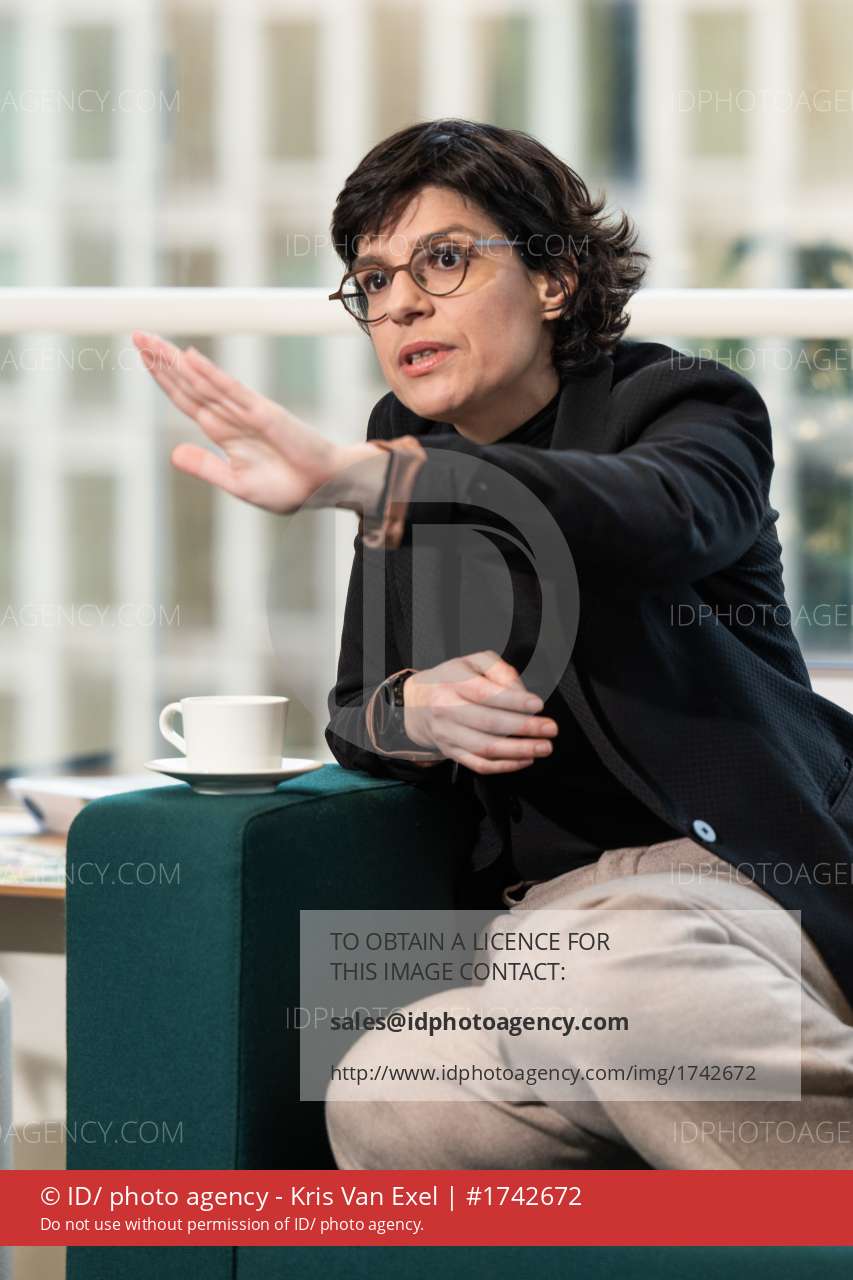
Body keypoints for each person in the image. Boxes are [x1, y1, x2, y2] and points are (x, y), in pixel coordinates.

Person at [134, 117, 853, 1172]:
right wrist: (418, 712)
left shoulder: (683, 405)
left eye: (442, 260)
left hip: (735, 885)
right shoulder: (402, 442)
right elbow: (357, 709)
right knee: (385, 1095)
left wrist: (385, 482)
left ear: (554, 279)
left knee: (605, 974)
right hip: (545, 927)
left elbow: (659, 513)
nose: (399, 304)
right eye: (372, 281)